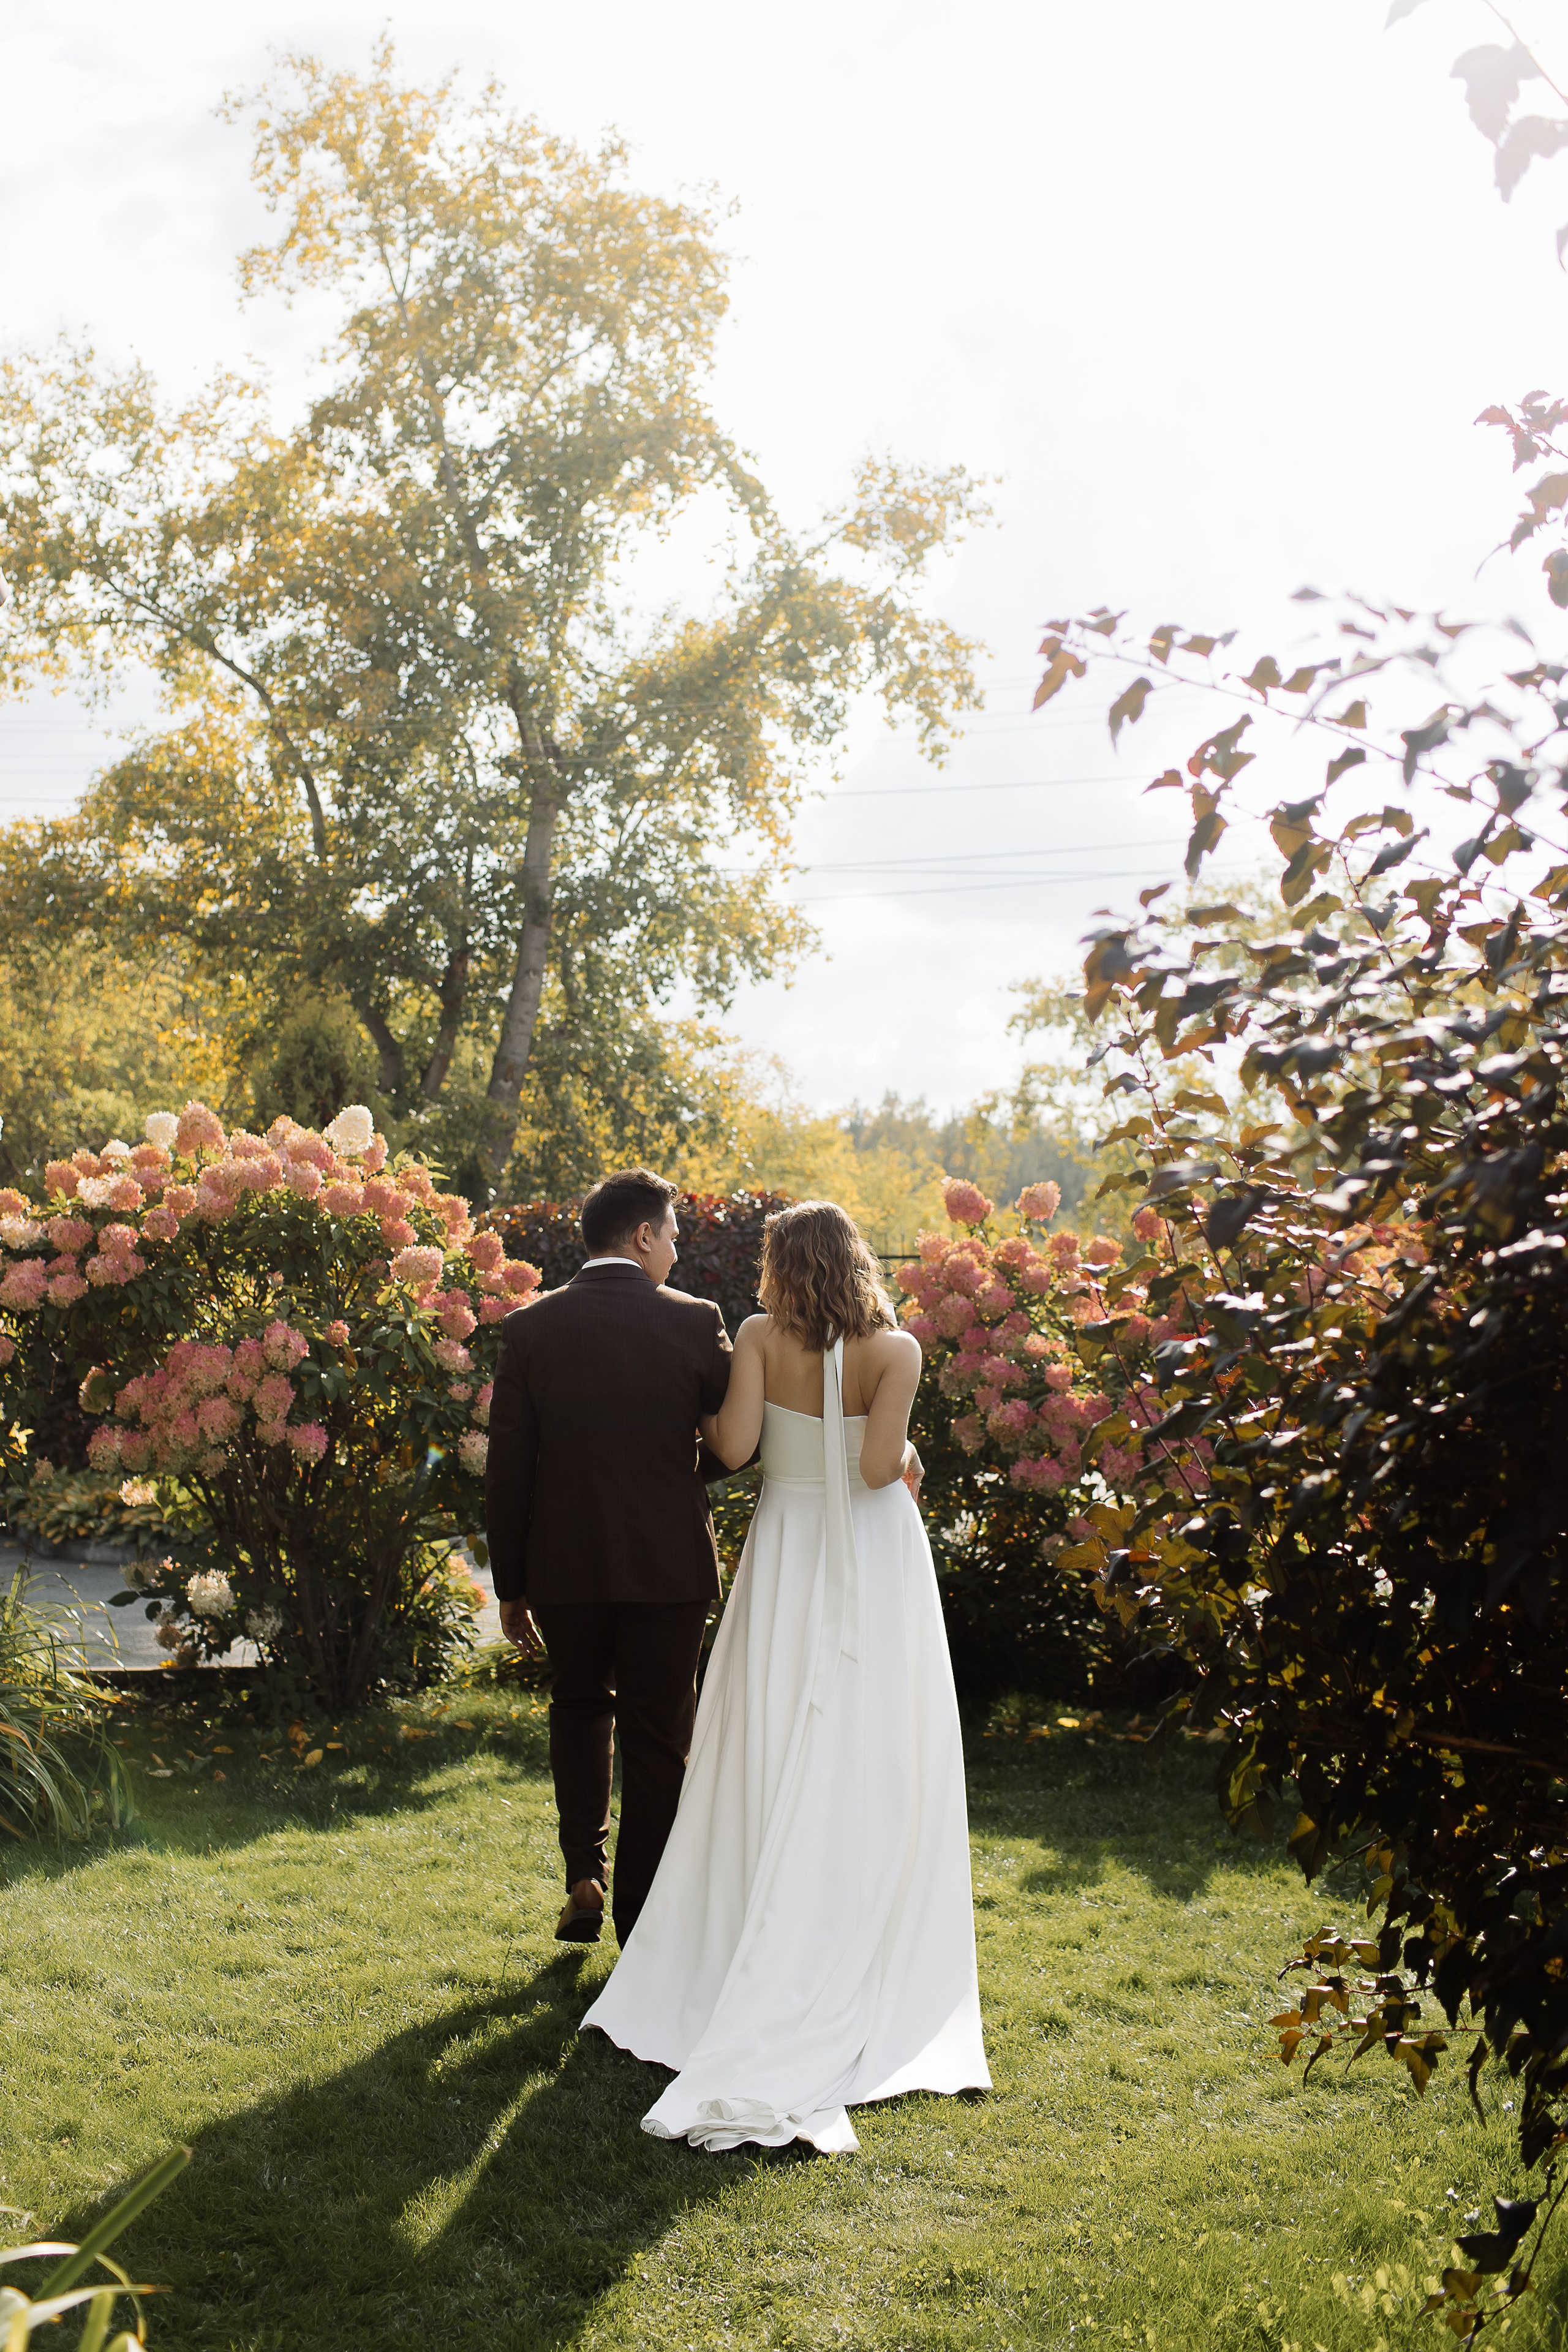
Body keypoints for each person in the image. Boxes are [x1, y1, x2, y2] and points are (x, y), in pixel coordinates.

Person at [580, 1199, 990, 2152]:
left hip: (787, 1550)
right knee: (871, 1742)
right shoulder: (899, 1352)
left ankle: (743, 1929)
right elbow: (884, 1467)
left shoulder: (760, 1334)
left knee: (767, 1732)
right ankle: (850, 1917)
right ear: (855, 1260)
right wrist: (910, 1450)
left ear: (781, 1266)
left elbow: (731, 1449)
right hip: (875, 1560)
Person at [485, 1168, 733, 1947]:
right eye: (673, 1238)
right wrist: (679, 1473)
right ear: (643, 1235)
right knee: (661, 1738)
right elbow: (736, 1438)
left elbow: (508, 1466)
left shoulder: (530, 1329)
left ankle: (583, 1877)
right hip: (667, 1568)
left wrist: (512, 1584)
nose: (676, 1254)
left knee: (580, 1707)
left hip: (565, 1566)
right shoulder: (697, 1322)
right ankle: (646, 1919)